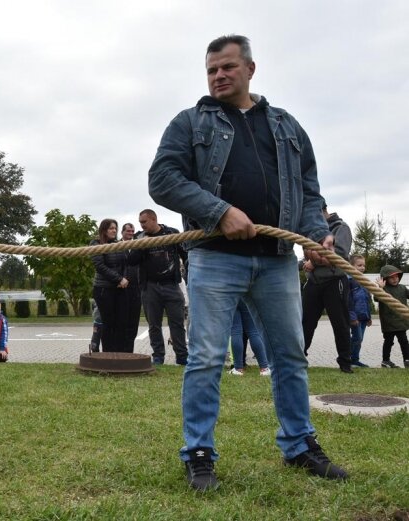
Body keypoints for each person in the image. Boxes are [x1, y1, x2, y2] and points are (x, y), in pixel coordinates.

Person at [148, 35, 348, 491]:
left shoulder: (287, 126)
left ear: (250, 69)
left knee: (290, 357)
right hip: (215, 260)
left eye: (227, 68)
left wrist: (316, 232)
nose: (219, 76)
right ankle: (199, 454)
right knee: (205, 359)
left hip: (277, 261)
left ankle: (300, 445)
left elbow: (309, 189)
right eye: (212, 70)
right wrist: (219, 211)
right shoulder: (189, 123)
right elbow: (162, 179)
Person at [132, 209, 188, 365]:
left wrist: (189, 277)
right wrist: (141, 246)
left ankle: (182, 357)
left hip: (172, 285)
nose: (141, 226)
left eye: (144, 222)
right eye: (140, 223)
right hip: (150, 287)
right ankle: (158, 357)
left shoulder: (172, 233)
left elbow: (186, 255)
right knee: (154, 325)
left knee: (177, 323)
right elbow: (131, 260)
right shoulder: (139, 237)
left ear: (153, 219)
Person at [301, 205, 353, 372]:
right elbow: (306, 256)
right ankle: (300, 359)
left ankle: (345, 363)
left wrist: (313, 261)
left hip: (334, 280)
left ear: (324, 211)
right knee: (305, 323)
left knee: (340, 323)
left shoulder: (341, 228)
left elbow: (340, 254)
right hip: (314, 282)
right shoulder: (313, 230)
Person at [90, 219, 132, 352]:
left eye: (115, 228)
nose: (114, 230)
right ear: (104, 230)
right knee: (107, 323)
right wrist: (119, 279)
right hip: (103, 289)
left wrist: (124, 279)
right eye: (111, 228)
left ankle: (119, 353)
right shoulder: (96, 243)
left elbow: (125, 263)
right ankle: (108, 354)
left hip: (119, 288)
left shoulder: (118, 244)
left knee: (121, 322)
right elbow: (100, 266)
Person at [376, 265, 409, 368]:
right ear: (385, 278)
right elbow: (376, 298)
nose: (395, 279)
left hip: (401, 321)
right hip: (388, 322)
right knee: (389, 342)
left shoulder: (403, 288)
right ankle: (385, 361)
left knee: (404, 342)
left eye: (396, 276)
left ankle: (407, 360)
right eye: (392, 277)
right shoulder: (383, 289)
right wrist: (380, 288)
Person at [228, 300, 271, 376]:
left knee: (236, 332)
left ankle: (238, 369)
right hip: (246, 295)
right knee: (253, 332)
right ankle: (264, 368)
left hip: (230, 296)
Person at [348, 254, 372, 368]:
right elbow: (348, 301)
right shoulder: (350, 281)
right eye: (359, 265)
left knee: (359, 339)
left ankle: (355, 359)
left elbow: (367, 300)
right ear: (352, 266)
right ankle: (348, 358)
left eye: (364, 265)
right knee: (356, 337)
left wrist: (369, 317)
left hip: (363, 317)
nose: (362, 267)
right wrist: (352, 317)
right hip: (355, 317)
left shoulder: (364, 282)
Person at [122, 223, 142, 352]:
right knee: (121, 321)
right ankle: (119, 350)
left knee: (133, 322)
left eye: (132, 231)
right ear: (122, 232)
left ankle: (130, 351)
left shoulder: (139, 246)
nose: (131, 233)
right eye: (128, 231)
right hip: (120, 289)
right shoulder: (116, 246)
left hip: (136, 289)